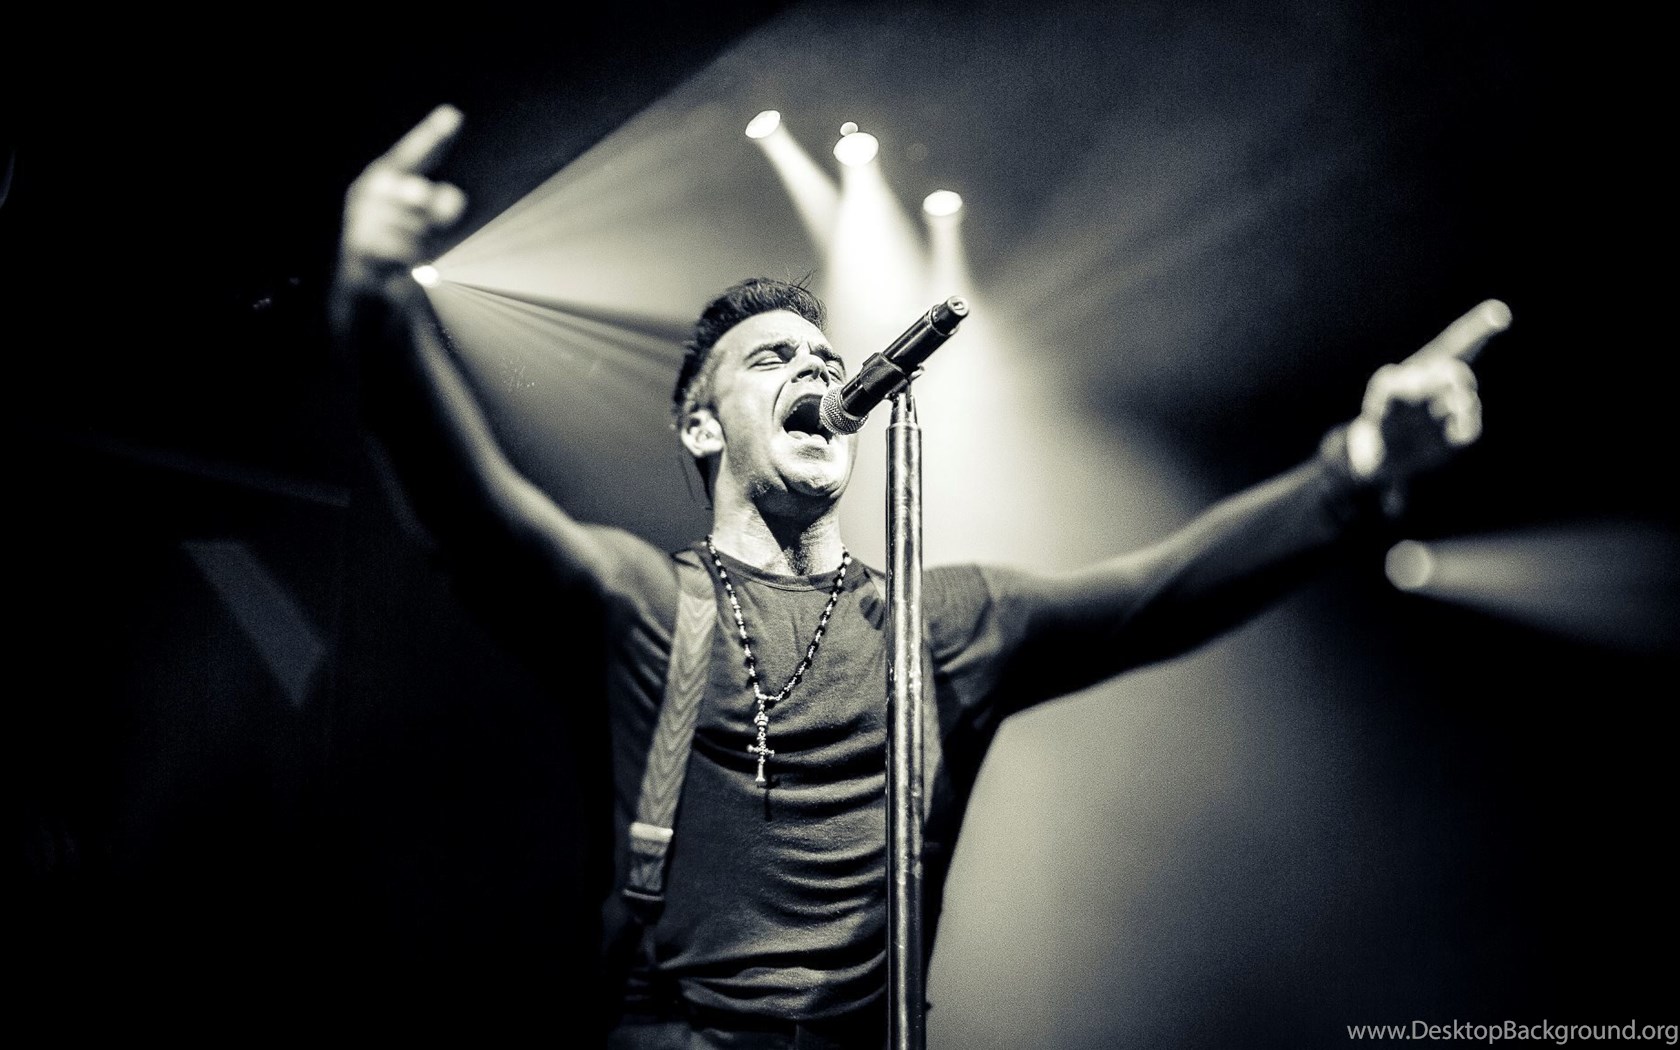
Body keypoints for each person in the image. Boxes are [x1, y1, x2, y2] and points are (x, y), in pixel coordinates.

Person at [330, 104, 1487, 1049]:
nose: (814, 368)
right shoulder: (644, 603)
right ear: (699, 426)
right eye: (771, 359)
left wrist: (1354, 471)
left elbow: (1159, 595)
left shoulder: (942, 626)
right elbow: (475, 514)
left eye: (825, 356)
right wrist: (378, 312)